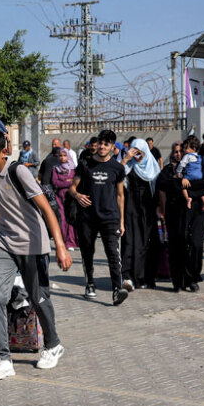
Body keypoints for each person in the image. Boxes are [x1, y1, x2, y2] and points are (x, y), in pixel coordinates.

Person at [0, 129, 72, 380]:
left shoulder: (18, 171)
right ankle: (3, 358)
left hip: (33, 244)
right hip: (4, 243)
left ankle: (53, 344)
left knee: (38, 297)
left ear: (3, 152)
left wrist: (60, 247)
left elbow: (46, 209)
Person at [69, 129, 128, 305]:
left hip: (110, 217)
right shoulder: (85, 164)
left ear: (112, 147)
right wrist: (77, 195)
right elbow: (72, 188)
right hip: (87, 217)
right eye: (100, 143)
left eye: (106, 144)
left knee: (113, 254)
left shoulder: (117, 168)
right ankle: (90, 283)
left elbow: (120, 195)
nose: (102, 147)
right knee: (87, 252)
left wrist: (121, 221)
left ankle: (117, 290)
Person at [158, 142, 204, 292]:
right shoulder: (168, 170)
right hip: (174, 212)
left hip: (193, 211)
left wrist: (183, 184)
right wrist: (179, 182)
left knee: (194, 245)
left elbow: (202, 185)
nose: (178, 154)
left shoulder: (195, 168)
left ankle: (192, 278)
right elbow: (164, 186)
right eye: (175, 151)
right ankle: (177, 281)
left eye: (181, 151)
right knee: (176, 246)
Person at [120, 138, 161, 290]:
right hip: (131, 207)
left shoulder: (152, 166)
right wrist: (126, 159)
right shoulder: (129, 166)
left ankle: (145, 277)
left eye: (140, 152)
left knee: (147, 242)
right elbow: (116, 176)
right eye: (134, 151)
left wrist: (160, 208)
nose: (137, 155)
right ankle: (128, 276)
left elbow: (159, 188)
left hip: (148, 208)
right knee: (130, 241)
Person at [175, 136, 204, 216]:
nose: (184, 150)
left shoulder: (187, 156)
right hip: (199, 177)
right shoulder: (199, 157)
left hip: (190, 178)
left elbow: (182, 164)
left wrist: (178, 172)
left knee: (183, 187)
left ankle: (188, 199)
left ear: (193, 148)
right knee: (203, 192)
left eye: (186, 148)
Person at [50, 148, 78, 249]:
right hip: (60, 197)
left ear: (68, 156)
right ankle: (65, 242)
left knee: (71, 218)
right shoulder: (55, 168)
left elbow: (75, 182)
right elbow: (55, 183)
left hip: (71, 196)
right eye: (61, 156)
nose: (62, 158)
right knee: (63, 219)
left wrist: (66, 182)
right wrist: (68, 182)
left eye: (65, 155)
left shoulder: (73, 168)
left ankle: (72, 241)